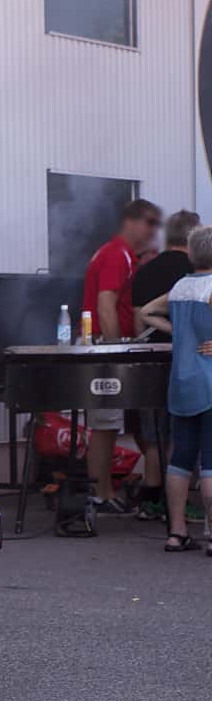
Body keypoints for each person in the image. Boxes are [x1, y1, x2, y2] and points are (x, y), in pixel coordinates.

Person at [81, 198, 162, 512]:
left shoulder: (121, 254)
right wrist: (117, 351)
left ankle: (105, 491)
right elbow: (106, 305)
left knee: (109, 424)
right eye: (150, 223)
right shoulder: (117, 254)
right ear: (132, 221)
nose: (153, 231)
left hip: (106, 347)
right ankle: (100, 494)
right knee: (104, 424)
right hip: (106, 350)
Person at [134, 224, 212, 551]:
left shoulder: (180, 287)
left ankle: (176, 533)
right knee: (210, 462)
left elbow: (147, 311)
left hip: (181, 383)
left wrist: (178, 330)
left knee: (180, 459)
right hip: (210, 382)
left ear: (192, 253)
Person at [124, 210, 201, 516]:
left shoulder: (145, 271)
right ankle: (178, 506)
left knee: (154, 435)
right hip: (191, 361)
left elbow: (138, 322)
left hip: (149, 361)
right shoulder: (196, 272)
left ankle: (152, 500)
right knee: (182, 437)